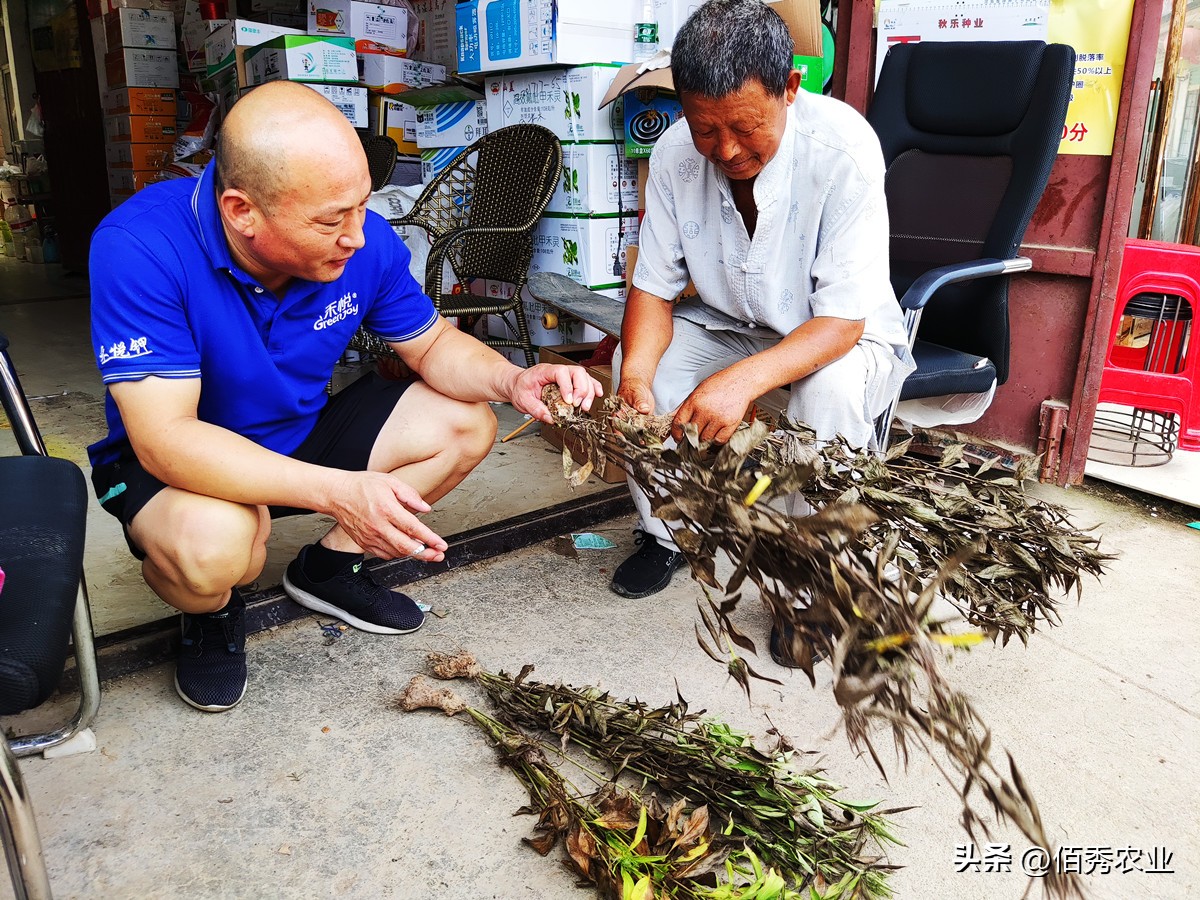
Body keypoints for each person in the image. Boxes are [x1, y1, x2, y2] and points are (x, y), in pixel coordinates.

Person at [87, 81, 602, 712]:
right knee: (218, 549)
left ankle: (328, 569)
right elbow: (166, 437)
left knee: (466, 423)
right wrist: (337, 492)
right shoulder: (141, 246)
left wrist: (512, 380)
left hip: (297, 432)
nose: (356, 236)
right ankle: (211, 612)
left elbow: (434, 346)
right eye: (331, 220)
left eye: (362, 206)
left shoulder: (365, 243)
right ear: (242, 211)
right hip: (179, 464)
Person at [609, 0, 915, 664]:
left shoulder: (844, 150)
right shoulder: (673, 154)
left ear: (791, 88)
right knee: (643, 370)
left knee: (828, 392)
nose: (725, 150)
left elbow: (842, 321)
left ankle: (811, 580)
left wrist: (739, 383)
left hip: (832, 334)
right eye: (705, 128)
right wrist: (635, 378)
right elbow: (653, 289)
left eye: (746, 127)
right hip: (730, 322)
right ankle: (669, 533)